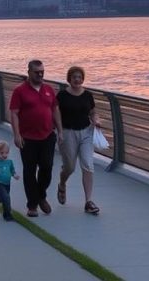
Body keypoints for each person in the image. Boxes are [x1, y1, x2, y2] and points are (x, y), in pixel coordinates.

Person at [9, 59, 63, 217]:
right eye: (37, 72)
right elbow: (14, 113)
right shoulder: (20, 91)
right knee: (29, 171)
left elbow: (55, 110)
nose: (40, 75)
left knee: (47, 167)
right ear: (29, 72)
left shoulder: (49, 89)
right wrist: (17, 134)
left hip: (47, 136)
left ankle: (41, 195)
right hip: (28, 138)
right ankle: (32, 205)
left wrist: (60, 131)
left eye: (42, 72)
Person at [57, 66, 101, 215]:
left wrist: (96, 120)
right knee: (69, 167)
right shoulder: (62, 96)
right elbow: (55, 114)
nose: (77, 79)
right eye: (74, 77)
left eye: (79, 77)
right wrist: (59, 131)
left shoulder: (88, 95)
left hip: (86, 132)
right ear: (69, 79)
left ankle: (88, 201)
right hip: (68, 132)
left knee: (88, 165)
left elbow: (93, 111)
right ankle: (62, 184)